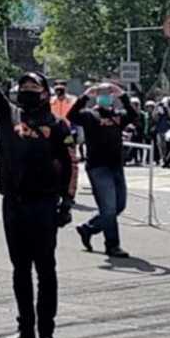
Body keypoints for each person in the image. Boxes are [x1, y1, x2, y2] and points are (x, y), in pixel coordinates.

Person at [0, 26, 74, 338]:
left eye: (34, 86)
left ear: (45, 93)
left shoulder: (58, 126)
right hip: (13, 205)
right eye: (24, 86)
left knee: (45, 268)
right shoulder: (9, 115)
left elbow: (71, 164)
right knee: (20, 269)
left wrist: (67, 203)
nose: (28, 90)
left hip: (44, 205)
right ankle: (25, 328)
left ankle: (47, 330)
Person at [69, 83, 138, 259]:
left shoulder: (118, 115)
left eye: (108, 93)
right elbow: (72, 115)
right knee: (108, 208)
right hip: (98, 167)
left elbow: (133, 115)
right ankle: (112, 245)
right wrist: (85, 96)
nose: (105, 96)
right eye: (101, 93)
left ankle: (88, 228)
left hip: (116, 165)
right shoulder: (90, 115)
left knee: (119, 206)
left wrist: (122, 95)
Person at [51, 80, 81, 197]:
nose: (59, 88)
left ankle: (70, 191)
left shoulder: (73, 100)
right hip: (53, 135)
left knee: (71, 161)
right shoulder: (50, 101)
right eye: (57, 86)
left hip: (69, 135)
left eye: (62, 86)